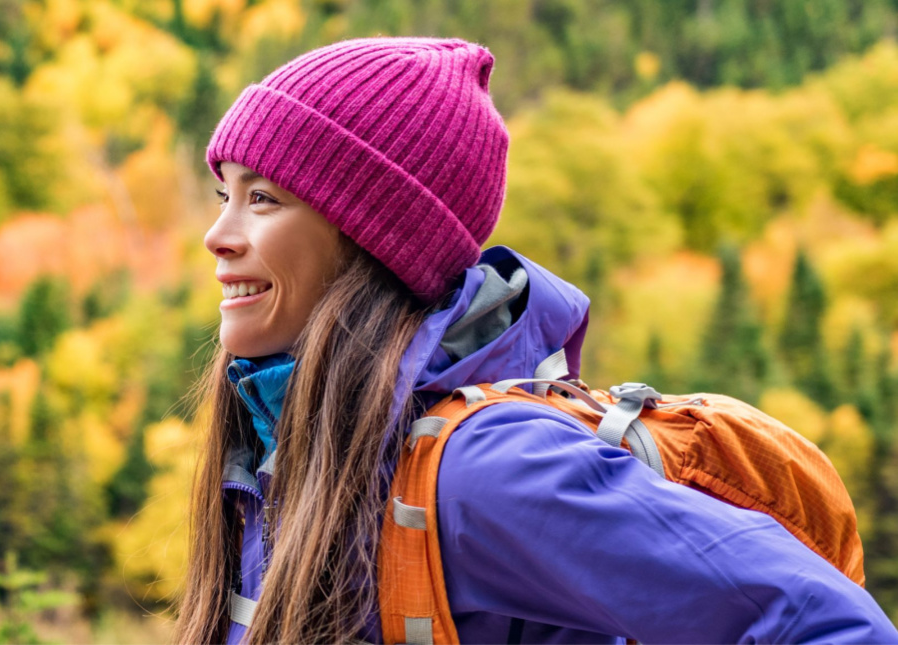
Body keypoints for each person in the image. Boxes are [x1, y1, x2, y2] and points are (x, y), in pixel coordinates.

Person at [173, 37, 898, 644]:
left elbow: (821, 621)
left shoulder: (487, 470)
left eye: (263, 198)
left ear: (374, 241)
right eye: (224, 194)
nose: (218, 234)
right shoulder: (280, 453)